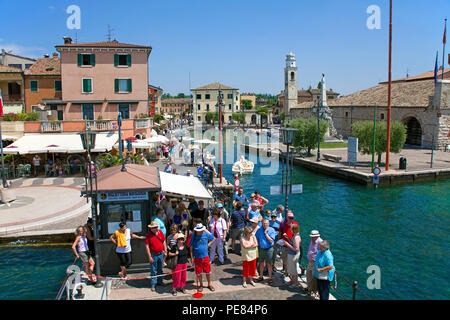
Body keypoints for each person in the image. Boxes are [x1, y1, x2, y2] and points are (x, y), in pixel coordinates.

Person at [190, 223, 216, 292]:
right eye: (199, 230)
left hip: (205, 256)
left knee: (208, 272)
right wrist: (192, 257)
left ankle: (209, 284)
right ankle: (201, 285)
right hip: (197, 257)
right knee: (199, 273)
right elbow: (191, 246)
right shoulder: (194, 236)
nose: (200, 232)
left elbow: (213, 238)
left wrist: (209, 244)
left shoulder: (205, 234)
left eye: (201, 230)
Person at [145, 221, 168, 292]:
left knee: (160, 269)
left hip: (160, 253)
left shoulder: (160, 232)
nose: (155, 229)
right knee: (153, 270)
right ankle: (153, 284)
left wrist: (165, 250)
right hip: (153, 254)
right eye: (153, 228)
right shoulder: (148, 235)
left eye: (155, 227)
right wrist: (149, 256)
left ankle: (160, 281)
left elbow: (164, 241)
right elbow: (147, 246)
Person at [255, 219, 277, 285]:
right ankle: (261, 276)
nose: (265, 225)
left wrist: (266, 233)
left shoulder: (271, 230)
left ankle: (270, 278)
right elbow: (256, 239)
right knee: (261, 263)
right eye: (264, 223)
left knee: (269, 264)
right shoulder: (259, 230)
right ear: (262, 223)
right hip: (261, 248)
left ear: (268, 223)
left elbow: (271, 241)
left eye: (266, 223)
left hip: (269, 249)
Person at [278, 210, 299, 277]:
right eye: (289, 217)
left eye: (292, 218)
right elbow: (280, 233)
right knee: (284, 259)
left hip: (292, 246)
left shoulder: (295, 224)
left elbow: (297, 234)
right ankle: (286, 271)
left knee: (290, 261)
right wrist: (279, 242)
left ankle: (290, 273)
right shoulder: (283, 223)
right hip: (284, 245)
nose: (291, 219)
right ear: (286, 217)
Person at [284, 223, 301, 288]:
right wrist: (288, 237)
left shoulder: (296, 237)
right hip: (292, 254)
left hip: (293, 255)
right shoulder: (295, 235)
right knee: (291, 268)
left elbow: (296, 249)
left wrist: (287, 244)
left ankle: (295, 283)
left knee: (293, 269)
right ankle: (292, 280)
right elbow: (293, 243)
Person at [306, 230, 322, 294]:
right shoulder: (312, 241)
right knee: (308, 274)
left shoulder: (320, 242)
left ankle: (313, 290)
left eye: (313, 237)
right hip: (311, 261)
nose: (312, 238)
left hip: (315, 262)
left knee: (313, 277)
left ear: (317, 236)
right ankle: (310, 288)